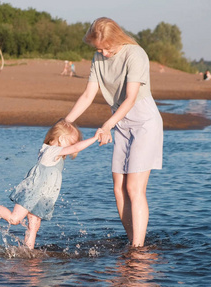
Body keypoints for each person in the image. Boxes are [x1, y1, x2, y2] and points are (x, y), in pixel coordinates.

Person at [65, 17, 163, 247]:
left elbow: (130, 99)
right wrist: (66, 121)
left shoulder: (135, 54)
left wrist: (107, 125)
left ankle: (137, 250)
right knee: (119, 188)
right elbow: (89, 95)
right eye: (98, 48)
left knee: (133, 187)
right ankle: (133, 242)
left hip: (144, 123)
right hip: (121, 125)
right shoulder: (98, 57)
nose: (103, 53)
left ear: (117, 39)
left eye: (107, 48)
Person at [0, 119, 101, 249]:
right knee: (15, 219)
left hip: (43, 195)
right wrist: (95, 138)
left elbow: (67, 129)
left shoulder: (53, 150)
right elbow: (75, 147)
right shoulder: (52, 151)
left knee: (34, 226)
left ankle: (29, 252)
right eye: (71, 142)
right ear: (61, 139)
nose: (73, 146)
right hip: (33, 191)